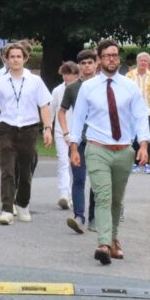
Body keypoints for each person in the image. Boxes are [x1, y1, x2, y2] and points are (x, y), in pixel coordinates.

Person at [69, 39, 150, 265]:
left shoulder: (129, 86)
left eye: (115, 55)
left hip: (124, 150)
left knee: (117, 200)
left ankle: (114, 239)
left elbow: (140, 116)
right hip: (97, 148)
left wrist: (143, 145)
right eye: (107, 56)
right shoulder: (88, 87)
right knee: (103, 197)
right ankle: (104, 243)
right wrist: (74, 146)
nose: (112, 59)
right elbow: (78, 119)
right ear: (99, 60)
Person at [0, 40, 52, 225]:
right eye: (12, 57)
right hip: (6, 129)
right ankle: (7, 209)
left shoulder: (35, 81)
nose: (15, 60)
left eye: (19, 57)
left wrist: (47, 128)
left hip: (29, 130)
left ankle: (22, 203)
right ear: (6, 60)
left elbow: (44, 106)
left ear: (25, 59)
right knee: (7, 170)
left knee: (25, 171)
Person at [58, 48, 98, 234]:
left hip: (98, 140)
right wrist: (66, 132)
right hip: (78, 141)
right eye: (83, 63)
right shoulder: (73, 88)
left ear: (96, 63)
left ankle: (94, 217)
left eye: (90, 62)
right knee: (79, 179)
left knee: (98, 180)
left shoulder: (102, 85)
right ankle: (79, 216)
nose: (87, 66)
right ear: (79, 66)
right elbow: (62, 112)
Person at [125, 52, 150, 174]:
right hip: (132, 112)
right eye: (141, 60)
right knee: (135, 138)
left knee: (147, 137)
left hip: (148, 111)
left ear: (148, 63)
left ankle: (147, 163)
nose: (143, 63)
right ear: (137, 61)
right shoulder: (129, 76)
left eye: (145, 61)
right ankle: (135, 163)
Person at [51, 61, 78, 210]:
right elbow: (51, 110)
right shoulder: (57, 91)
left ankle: (73, 194)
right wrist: (47, 128)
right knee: (63, 161)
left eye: (69, 74)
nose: (66, 77)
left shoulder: (81, 89)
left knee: (76, 164)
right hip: (61, 131)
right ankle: (64, 194)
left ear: (76, 74)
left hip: (77, 132)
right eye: (64, 74)